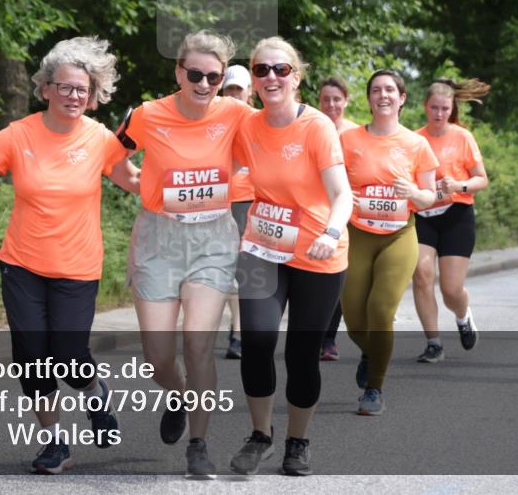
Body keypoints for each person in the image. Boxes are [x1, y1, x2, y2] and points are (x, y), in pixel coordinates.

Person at [0, 37, 139, 474]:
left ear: (93, 96)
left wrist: (184, 177)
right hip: (21, 265)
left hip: (77, 268)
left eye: (82, 89)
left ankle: (95, 395)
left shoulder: (99, 139)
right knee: (32, 356)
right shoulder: (18, 134)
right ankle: (55, 443)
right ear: (45, 89)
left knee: (68, 352)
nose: (73, 95)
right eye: (64, 87)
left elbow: (134, 182)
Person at [117, 30, 253, 478]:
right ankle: (175, 392)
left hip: (213, 238)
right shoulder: (147, 115)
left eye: (213, 76)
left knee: (199, 344)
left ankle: (200, 443)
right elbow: (112, 157)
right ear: (178, 71)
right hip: (159, 237)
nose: (203, 82)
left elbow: (274, 142)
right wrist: (137, 183)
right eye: (194, 73)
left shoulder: (235, 113)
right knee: (157, 356)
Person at [229, 37, 353, 476]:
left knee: (302, 353)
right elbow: (216, 160)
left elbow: (342, 194)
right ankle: (261, 434)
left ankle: (297, 441)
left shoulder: (317, 126)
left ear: (296, 77)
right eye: (261, 70)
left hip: (318, 253)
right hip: (263, 247)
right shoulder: (247, 125)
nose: (271, 78)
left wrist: (332, 230)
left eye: (281, 69)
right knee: (257, 341)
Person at [341, 69, 438, 416]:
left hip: (399, 235)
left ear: (402, 98)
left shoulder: (416, 144)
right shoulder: (348, 139)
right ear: (368, 99)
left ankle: (374, 387)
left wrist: (413, 192)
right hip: (357, 233)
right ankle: (372, 351)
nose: (383, 95)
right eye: (376, 90)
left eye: (390, 90)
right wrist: (343, 196)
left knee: (380, 310)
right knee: (354, 317)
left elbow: (429, 196)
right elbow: (331, 185)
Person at [411, 78, 490, 363]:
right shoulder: (414, 139)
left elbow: (482, 179)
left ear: (451, 109)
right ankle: (433, 343)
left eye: (445, 108)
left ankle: (462, 315)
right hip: (423, 215)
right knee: (421, 275)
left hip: (457, 215)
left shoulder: (462, 137)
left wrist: (459, 185)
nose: (439, 113)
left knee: (451, 289)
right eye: (434, 107)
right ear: (425, 107)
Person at [317, 76, 358, 361]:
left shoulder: (355, 134)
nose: (331, 105)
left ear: (346, 101)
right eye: (326, 100)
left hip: (348, 212)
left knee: (339, 274)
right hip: (315, 209)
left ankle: (328, 339)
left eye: (336, 99)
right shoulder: (312, 128)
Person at [222, 64, 255, 359]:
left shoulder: (257, 121)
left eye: (238, 89)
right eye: (229, 88)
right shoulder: (213, 119)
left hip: (249, 201)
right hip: (217, 203)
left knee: (243, 269)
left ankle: (239, 332)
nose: (233, 94)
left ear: (249, 93)